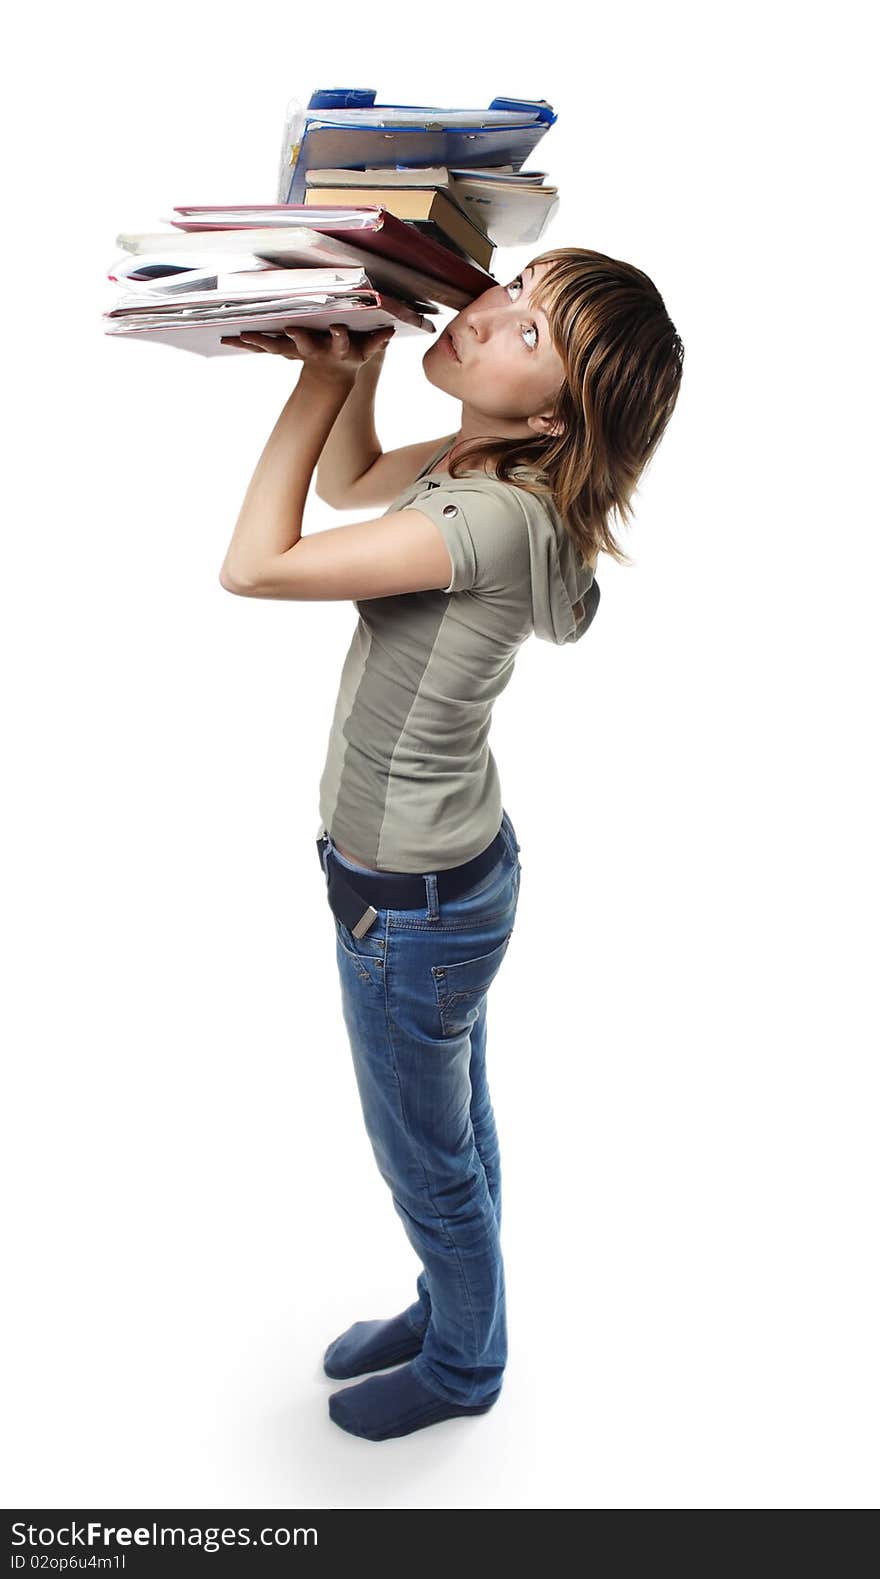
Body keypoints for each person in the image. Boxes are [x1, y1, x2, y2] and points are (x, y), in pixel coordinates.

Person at [217, 247, 684, 1441]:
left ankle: (467, 1364)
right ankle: (450, 1306)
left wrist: (317, 378)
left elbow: (257, 566)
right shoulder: (491, 461)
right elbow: (362, 476)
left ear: (551, 410)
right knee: (454, 1134)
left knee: (428, 1159)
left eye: (531, 336)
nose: (487, 313)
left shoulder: (482, 516)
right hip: (446, 882)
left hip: (410, 904)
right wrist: (358, 361)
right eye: (517, 289)